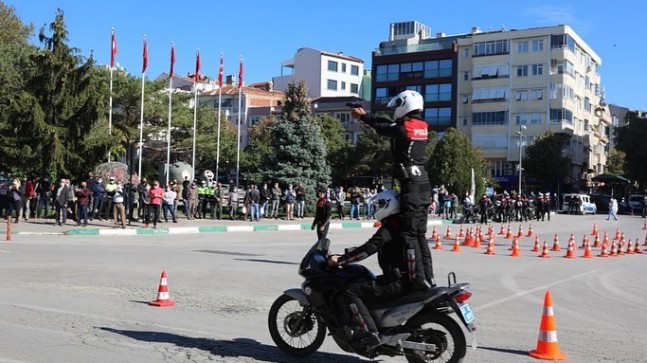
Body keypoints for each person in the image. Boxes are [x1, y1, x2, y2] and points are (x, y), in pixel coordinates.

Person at [351, 90, 434, 290]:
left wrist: (363, 117)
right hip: (423, 186)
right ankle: (428, 279)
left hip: (412, 188)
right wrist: (366, 116)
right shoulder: (421, 126)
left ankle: (418, 282)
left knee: (408, 235)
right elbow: (389, 125)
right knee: (420, 235)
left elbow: (383, 127)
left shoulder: (405, 129)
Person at [327, 190, 423, 348]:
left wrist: (341, 260)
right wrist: (350, 253)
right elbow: (371, 246)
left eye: (380, 204)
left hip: (396, 281)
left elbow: (370, 247)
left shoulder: (390, 227)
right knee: (366, 283)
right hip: (404, 278)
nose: (378, 207)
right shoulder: (399, 224)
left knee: (351, 291)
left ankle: (370, 333)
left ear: (389, 205)